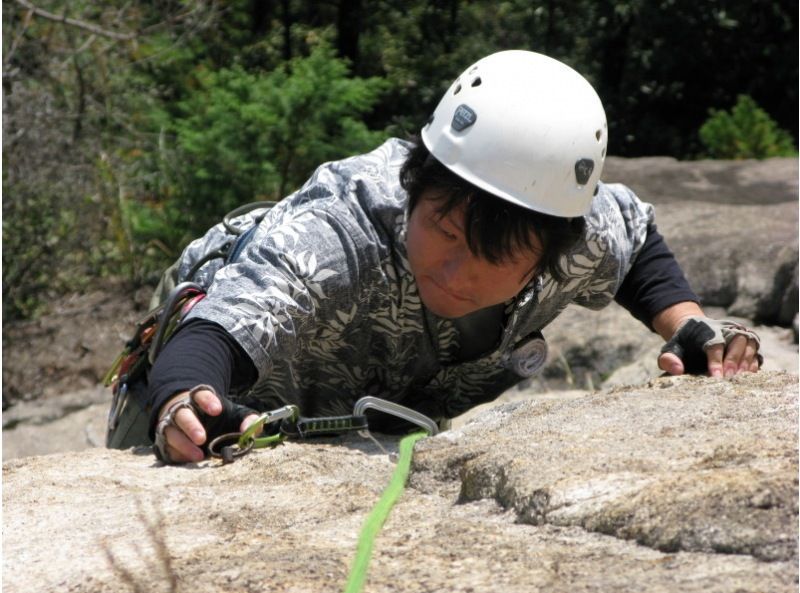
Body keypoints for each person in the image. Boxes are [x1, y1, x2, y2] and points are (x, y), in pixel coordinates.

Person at [106, 50, 762, 464]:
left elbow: (636, 239)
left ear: (549, 251)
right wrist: (181, 398)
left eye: (487, 258)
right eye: (441, 231)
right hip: (223, 409)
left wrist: (689, 327)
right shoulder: (338, 227)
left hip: (369, 427)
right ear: (417, 185)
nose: (452, 271)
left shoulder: (574, 228)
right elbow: (225, 323)